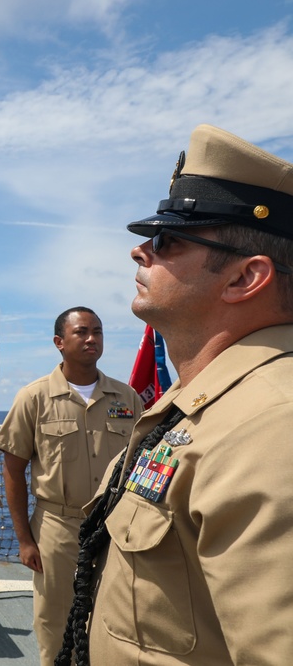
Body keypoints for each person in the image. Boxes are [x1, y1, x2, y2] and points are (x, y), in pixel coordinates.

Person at [56, 125, 293, 665]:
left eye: (168, 241)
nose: (140, 251)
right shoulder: (196, 404)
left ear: (244, 278)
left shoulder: (275, 427)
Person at [0, 307, 142, 665]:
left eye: (98, 331)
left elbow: (140, 464)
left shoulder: (128, 399)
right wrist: (25, 540)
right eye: (82, 332)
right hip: (56, 530)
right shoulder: (34, 398)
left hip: (113, 527)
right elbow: (13, 471)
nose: (92, 339)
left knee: (115, 615)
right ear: (59, 342)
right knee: (56, 621)